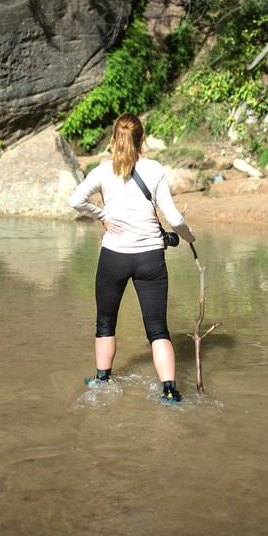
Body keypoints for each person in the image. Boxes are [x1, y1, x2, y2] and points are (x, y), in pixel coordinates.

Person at [68, 113, 196, 403]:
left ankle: (102, 381)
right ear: (142, 138)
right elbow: (175, 219)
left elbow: (75, 200)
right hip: (150, 258)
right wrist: (190, 238)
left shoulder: (103, 171)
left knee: (105, 322)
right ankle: (170, 391)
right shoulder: (155, 169)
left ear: (114, 138)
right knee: (158, 329)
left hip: (114, 257)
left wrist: (102, 216)